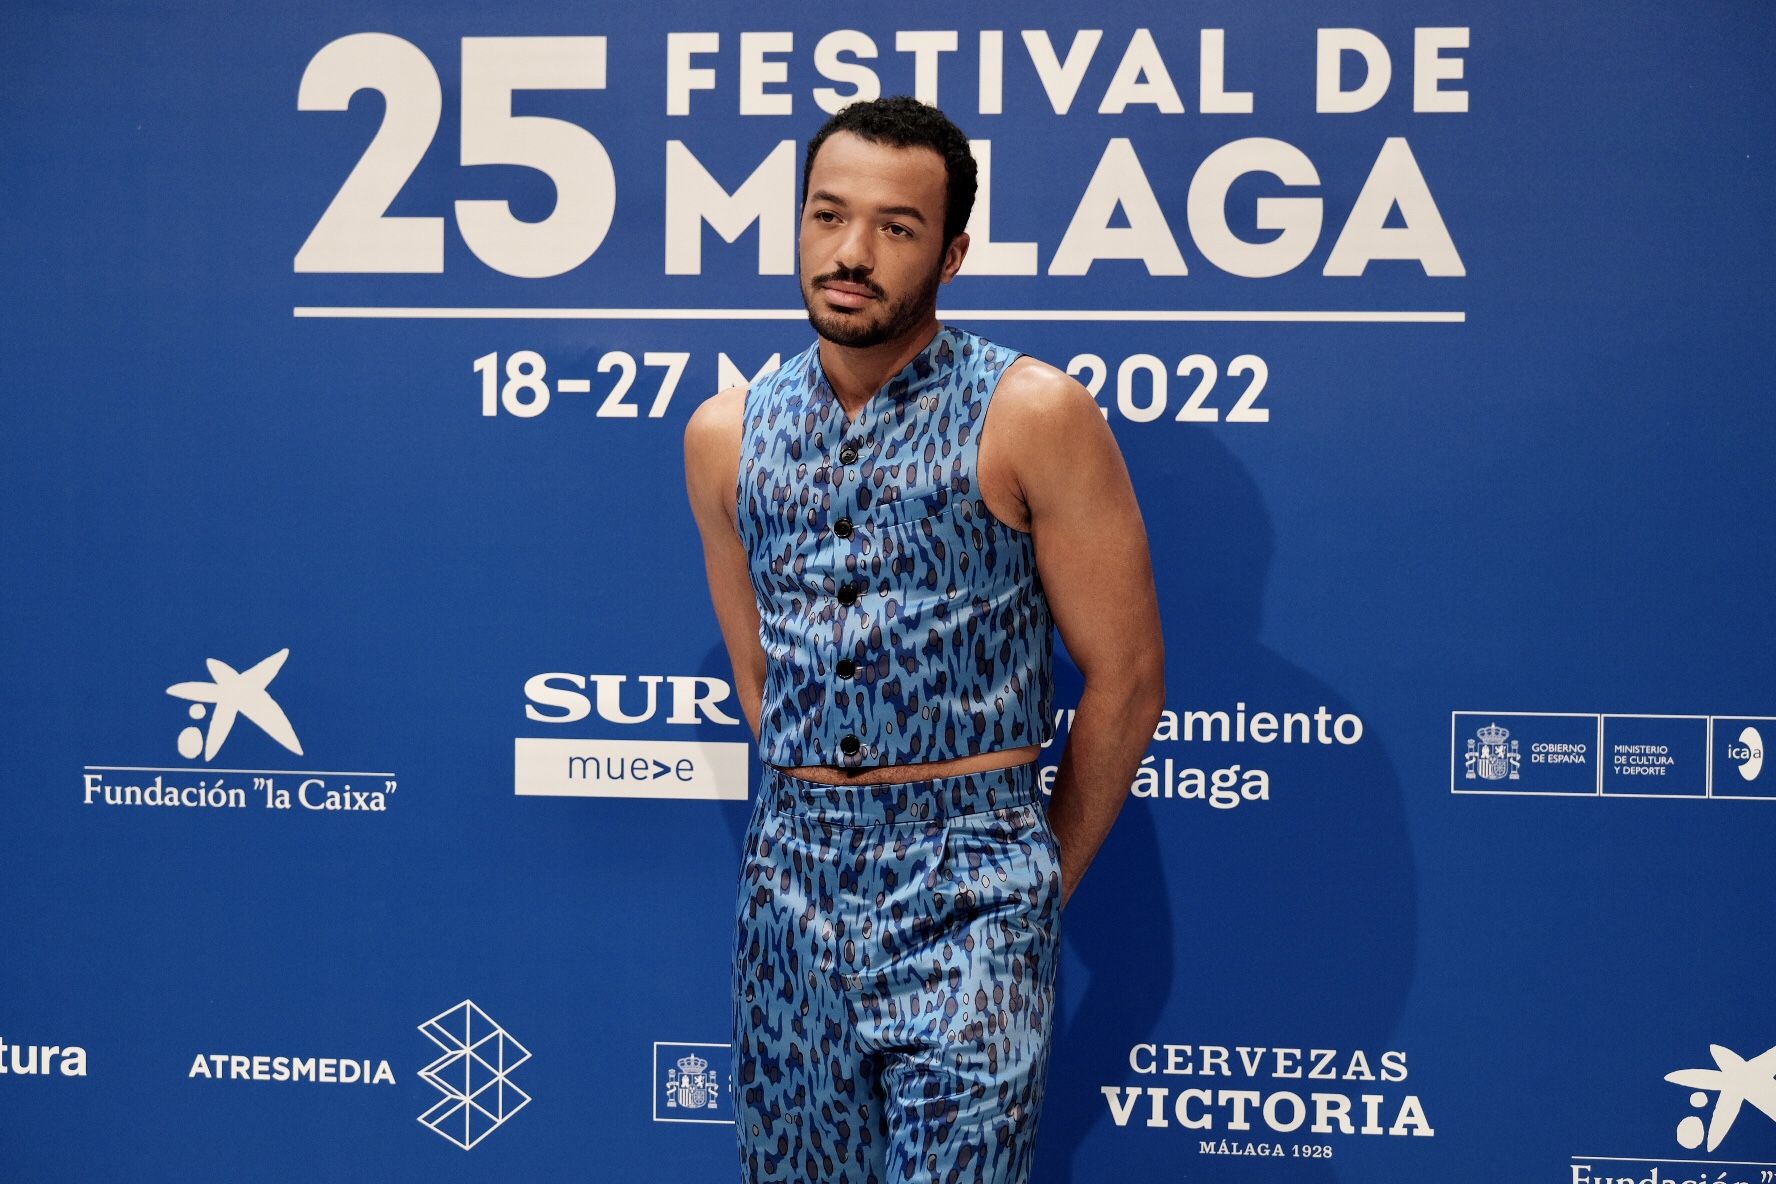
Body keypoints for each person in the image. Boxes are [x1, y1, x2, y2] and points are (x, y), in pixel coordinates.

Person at [683, 95, 1165, 1184]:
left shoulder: (1032, 411)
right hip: (789, 889)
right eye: (827, 215)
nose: (851, 252)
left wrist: (1030, 878)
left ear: (951, 253)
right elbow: (762, 678)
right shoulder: (724, 435)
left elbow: (1129, 678)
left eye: (896, 228)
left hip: (973, 883)